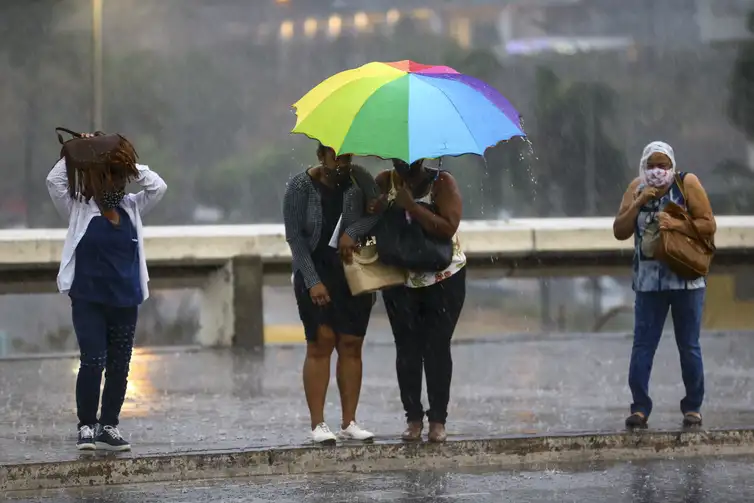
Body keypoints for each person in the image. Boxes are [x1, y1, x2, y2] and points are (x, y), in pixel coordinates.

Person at [46, 132, 167, 451]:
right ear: (93, 178)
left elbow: (158, 186)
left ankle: (108, 426)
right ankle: (86, 424)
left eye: (118, 176)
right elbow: (54, 180)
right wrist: (81, 151)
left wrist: (122, 158)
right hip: (88, 301)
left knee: (119, 366)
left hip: (125, 301)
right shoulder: (78, 208)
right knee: (93, 361)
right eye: (106, 175)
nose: (114, 183)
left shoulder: (132, 207)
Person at [613, 141, 715, 429]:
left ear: (672, 165)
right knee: (643, 345)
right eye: (652, 165)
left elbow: (708, 224)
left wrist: (678, 225)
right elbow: (619, 230)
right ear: (643, 166)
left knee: (689, 346)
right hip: (648, 284)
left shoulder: (686, 184)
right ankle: (640, 408)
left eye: (663, 165)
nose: (657, 171)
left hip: (686, 281)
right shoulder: (637, 187)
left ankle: (692, 407)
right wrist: (639, 202)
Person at [283, 143, 377, 444]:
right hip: (315, 268)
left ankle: (349, 421)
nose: (342, 163)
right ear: (321, 156)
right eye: (336, 157)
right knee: (321, 342)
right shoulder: (300, 186)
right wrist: (312, 281)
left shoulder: (359, 178)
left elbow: (379, 210)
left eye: (348, 157)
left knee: (351, 343)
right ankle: (318, 423)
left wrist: (355, 230)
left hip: (351, 270)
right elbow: (295, 237)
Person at [368, 158, 466, 443]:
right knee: (407, 348)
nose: (404, 161)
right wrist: (374, 209)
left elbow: (448, 227)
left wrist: (413, 207)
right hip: (400, 277)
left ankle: (438, 420)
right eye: (397, 156)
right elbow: (368, 222)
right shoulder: (384, 181)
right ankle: (413, 418)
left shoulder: (442, 182)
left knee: (436, 347)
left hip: (443, 276)